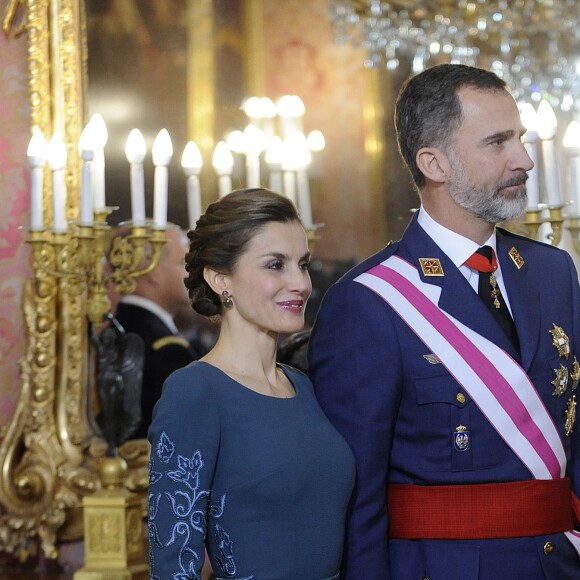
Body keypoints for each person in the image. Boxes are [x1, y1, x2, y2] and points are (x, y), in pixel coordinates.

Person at [308, 63, 580, 579]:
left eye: (519, 138)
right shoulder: (369, 301)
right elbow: (356, 496)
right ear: (434, 163)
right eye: (497, 142)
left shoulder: (552, 271)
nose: (524, 159)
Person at [147, 188, 356, 579]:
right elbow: (174, 562)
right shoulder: (195, 391)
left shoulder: (305, 387)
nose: (300, 283)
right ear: (219, 278)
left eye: (303, 264)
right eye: (275, 265)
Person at [114, 223, 203, 439]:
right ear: (153, 271)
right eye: (183, 262)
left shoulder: (121, 326)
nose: (193, 273)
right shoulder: (164, 348)